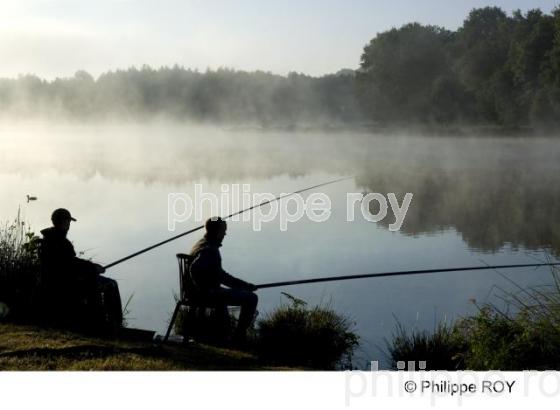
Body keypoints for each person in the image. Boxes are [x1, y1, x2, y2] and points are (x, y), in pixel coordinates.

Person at [39, 208, 123, 330]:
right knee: (111, 284)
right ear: (63, 222)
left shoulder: (48, 239)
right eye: (67, 222)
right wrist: (93, 268)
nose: (69, 225)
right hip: (65, 283)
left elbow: (68, 264)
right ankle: (113, 325)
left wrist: (90, 269)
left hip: (56, 281)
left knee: (94, 279)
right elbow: (70, 264)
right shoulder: (60, 242)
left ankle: (100, 322)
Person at [189, 217, 258, 343]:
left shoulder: (200, 244)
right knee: (251, 298)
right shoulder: (210, 250)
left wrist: (243, 285)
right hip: (208, 293)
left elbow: (219, 275)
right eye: (223, 230)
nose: (225, 234)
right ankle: (237, 337)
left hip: (203, 291)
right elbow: (198, 269)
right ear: (217, 231)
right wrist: (244, 286)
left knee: (228, 294)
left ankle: (225, 336)